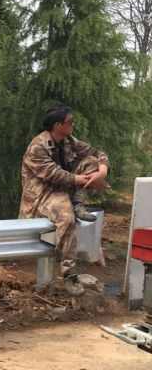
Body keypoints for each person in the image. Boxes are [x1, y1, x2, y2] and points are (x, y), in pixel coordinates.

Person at [19, 104, 109, 293]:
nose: (73, 125)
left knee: (91, 163)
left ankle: (77, 203)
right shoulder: (37, 146)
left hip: (63, 188)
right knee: (67, 220)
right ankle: (68, 273)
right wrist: (83, 180)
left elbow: (96, 153)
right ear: (57, 125)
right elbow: (54, 174)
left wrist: (101, 171)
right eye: (70, 122)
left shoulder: (68, 140)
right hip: (42, 194)